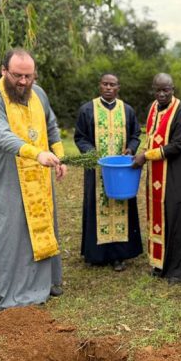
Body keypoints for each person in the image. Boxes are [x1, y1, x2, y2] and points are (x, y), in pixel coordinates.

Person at [0, 48, 66, 310]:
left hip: (38, 169)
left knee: (38, 222)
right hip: (4, 172)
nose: (23, 82)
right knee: (4, 226)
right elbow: (1, 135)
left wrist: (58, 155)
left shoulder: (39, 94)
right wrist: (37, 154)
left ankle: (43, 283)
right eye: (17, 76)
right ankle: (1, 286)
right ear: (3, 71)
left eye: (28, 76)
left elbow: (51, 124)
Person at [133, 73, 181, 285]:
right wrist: (143, 150)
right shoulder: (154, 107)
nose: (161, 94)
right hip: (156, 173)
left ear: (173, 89)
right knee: (159, 216)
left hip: (176, 171)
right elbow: (151, 136)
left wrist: (147, 156)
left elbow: (178, 146)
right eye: (158, 90)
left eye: (166, 90)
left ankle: (178, 269)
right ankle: (160, 263)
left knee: (176, 217)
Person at [74, 73, 143, 271]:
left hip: (121, 171)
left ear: (118, 87)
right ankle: (97, 254)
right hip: (97, 170)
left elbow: (135, 134)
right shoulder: (88, 109)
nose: (108, 88)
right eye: (105, 84)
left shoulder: (127, 110)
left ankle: (119, 255)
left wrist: (131, 148)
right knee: (97, 205)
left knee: (121, 205)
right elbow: (80, 137)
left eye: (112, 84)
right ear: (99, 86)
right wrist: (92, 153)